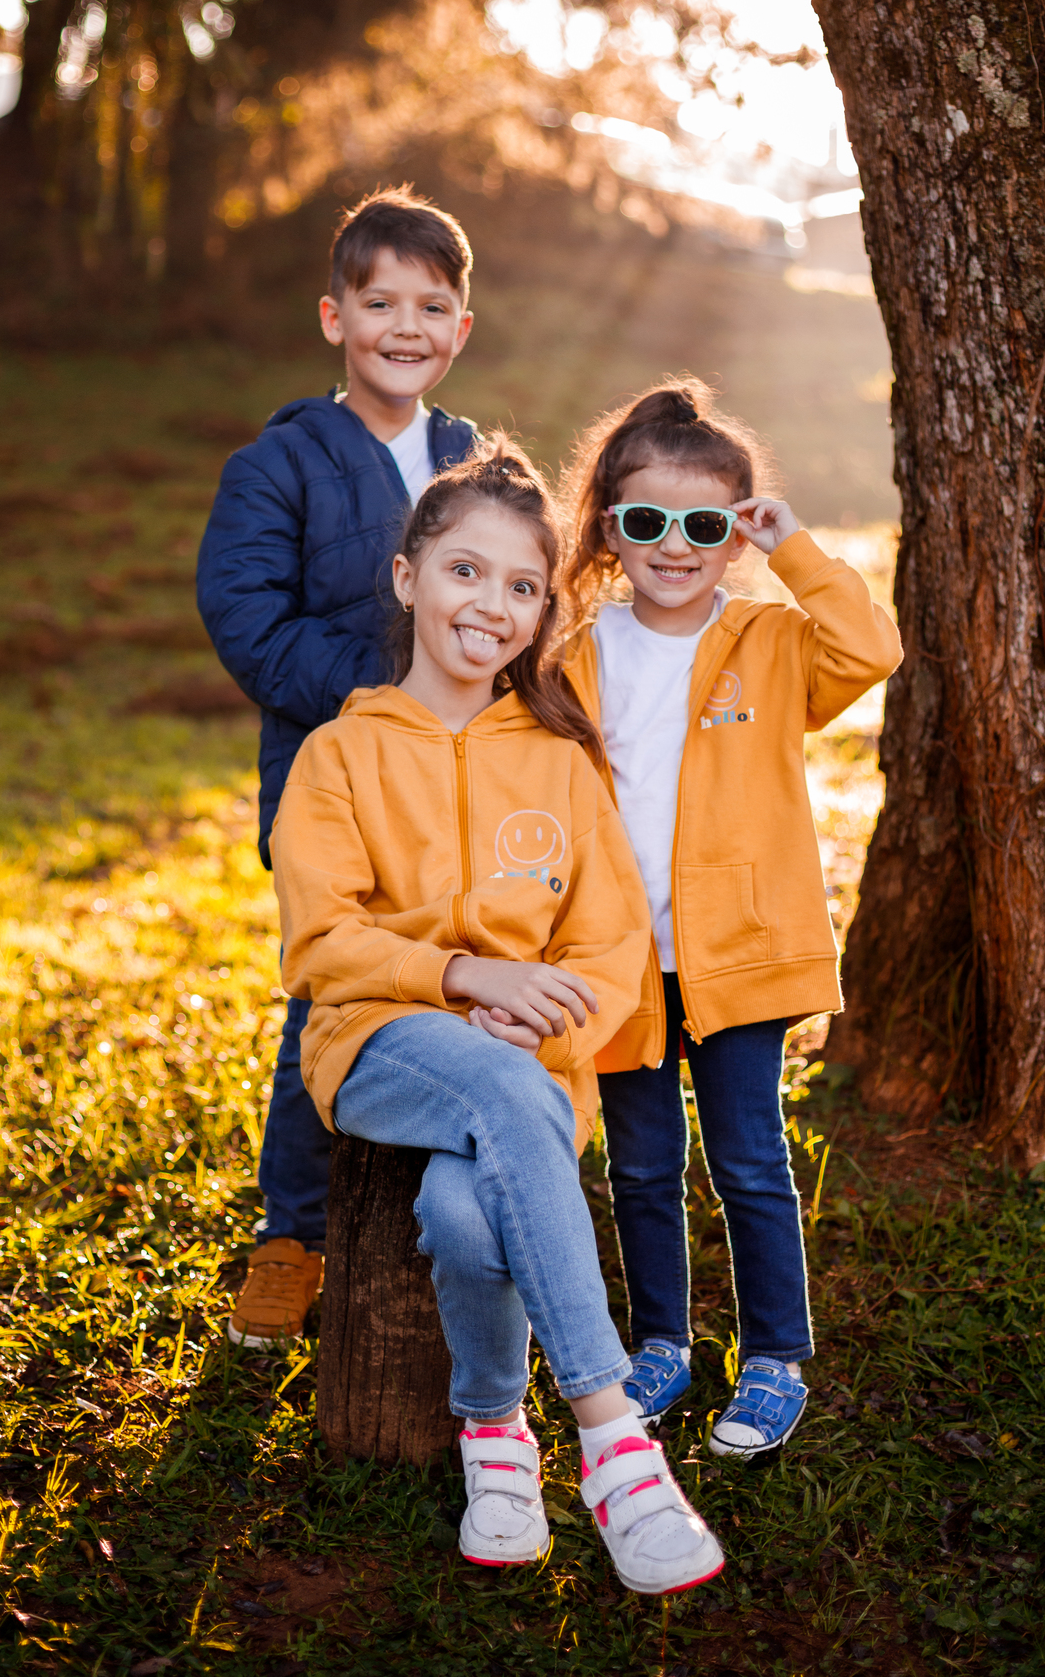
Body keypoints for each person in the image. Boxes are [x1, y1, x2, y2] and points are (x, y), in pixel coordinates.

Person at [270, 443, 725, 1593]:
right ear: (408, 576)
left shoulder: (563, 763)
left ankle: (495, 1439)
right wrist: (467, 979)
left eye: (524, 588)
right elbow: (322, 944)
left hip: (534, 1058)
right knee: (498, 1101)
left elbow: (614, 942)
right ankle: (617, 1445)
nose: (494, 605)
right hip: (381, 1043)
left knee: (471, 1221)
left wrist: (543, 1022)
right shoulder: (340, 755)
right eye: (467, 572)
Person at [559, 381, 903, 1458]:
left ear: (735, 532)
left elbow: (873, 647)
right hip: (618, 962)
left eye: (705, 525)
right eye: (648, 521)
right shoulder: (570, 652)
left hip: (741, 956)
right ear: (610, 528)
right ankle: (661, 1342)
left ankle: (773, 1356)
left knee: (750, 1159)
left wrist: (793, 545)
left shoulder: (771, 638)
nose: (675, 545)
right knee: (640, 1162)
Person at [197, 186, 479, 1348]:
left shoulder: (472, 462)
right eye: (379, 303)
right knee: (332, 988)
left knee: (454, 969)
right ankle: (293, 1234)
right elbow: (247, 619)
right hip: (332, 783)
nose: (403, 327)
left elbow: (512, 592)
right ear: (334, 317)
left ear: (460, 329)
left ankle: (441, 1193)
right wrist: (384, 693)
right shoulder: (284, 463)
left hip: (458, 788)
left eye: (430, 305)